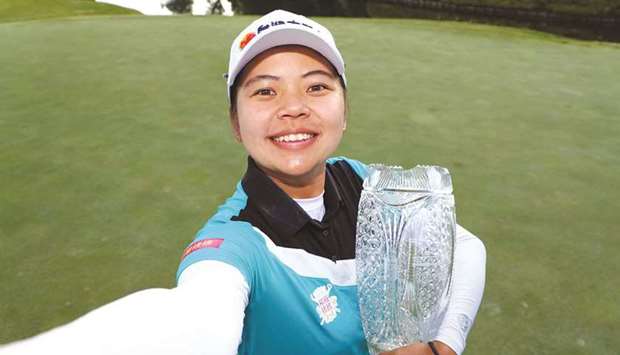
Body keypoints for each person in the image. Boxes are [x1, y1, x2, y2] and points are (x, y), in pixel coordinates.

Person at [0, 9, 486, 355]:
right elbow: (192, 321)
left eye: (316, 86)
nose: (293, 106)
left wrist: (444, 343)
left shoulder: (365, 182)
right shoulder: (233, 241)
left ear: (344, 110)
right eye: (265, 90)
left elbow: (463, 247)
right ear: (235, 123)